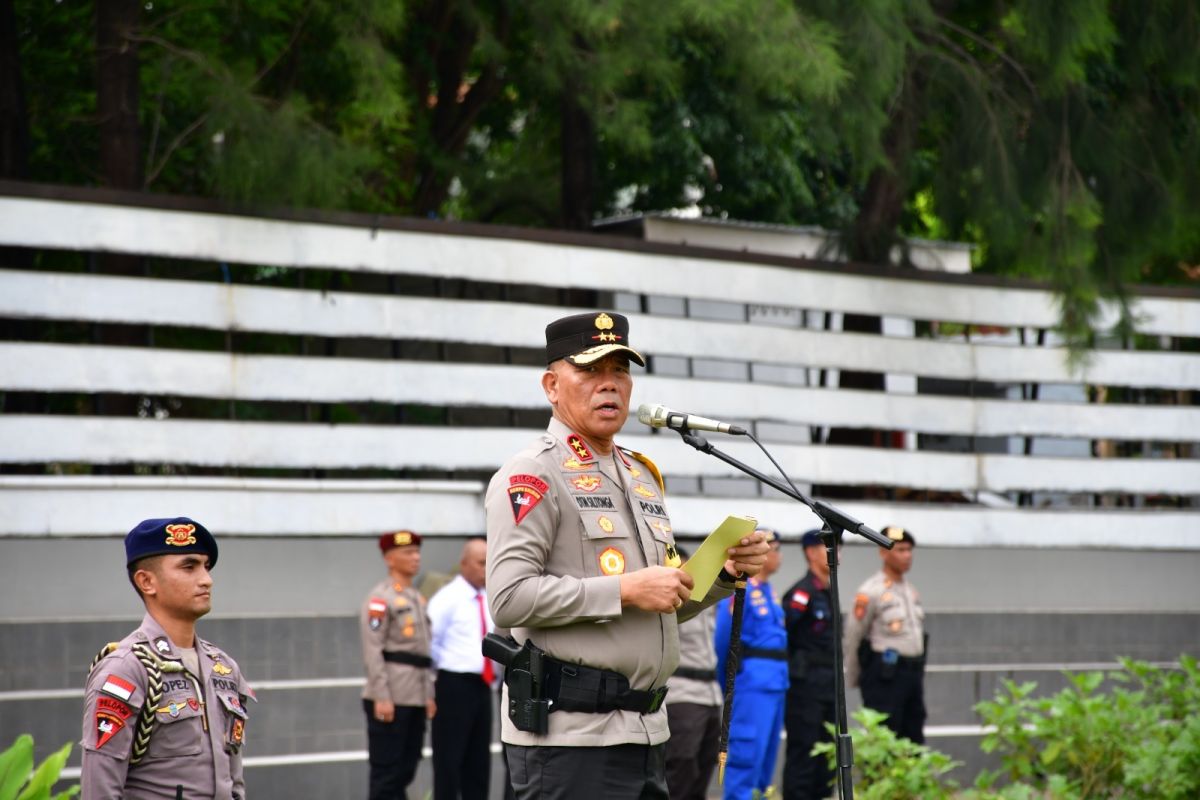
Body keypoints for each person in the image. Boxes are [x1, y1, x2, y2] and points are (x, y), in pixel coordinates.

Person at [485, 310, 771, 800]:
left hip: (646, 731)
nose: (610, 385)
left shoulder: (640, 476)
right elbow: (509, 599)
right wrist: (626, 589)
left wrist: (722, 574)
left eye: (620, 370)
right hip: (572, 740)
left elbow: (660, 602)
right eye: (591, 370)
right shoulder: (532, 474)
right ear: (552, 385)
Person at [80, 516, 252, 800]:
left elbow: (234, 782)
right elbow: (100, 789)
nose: (206, 579)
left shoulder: (223, 667)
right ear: (147, 582)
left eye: (206, 567)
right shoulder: (126, 668)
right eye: (189, 567)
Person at [360, 530, 437, 800]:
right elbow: (373, 650)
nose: (415, 558)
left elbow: (423, 652)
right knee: (386, 773)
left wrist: (428, 694)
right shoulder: (381, 599)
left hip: (414, 695)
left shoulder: (417, 597)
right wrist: (382, 696)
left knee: (406, 769)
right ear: (389, 559)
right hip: (391, 695)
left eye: (417, 552)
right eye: (407, 552)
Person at [714, 528, 787, 800]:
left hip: (775, 684)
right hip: (751, 686)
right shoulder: (741, 590)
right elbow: (724, 640)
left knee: (765, 765)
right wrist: (729, 686)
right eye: (774, 549)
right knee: (746, 760)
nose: (778, 555)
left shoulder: (770, 591)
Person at [843, 525, 926, 743]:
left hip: (912, 673)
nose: (907, 555)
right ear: (883, 552)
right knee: (883, 738)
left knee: (913, 736)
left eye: (909, 550)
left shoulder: (910, 590)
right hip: (885, 675)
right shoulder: (871, 590)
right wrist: (854, 676)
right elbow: (853, 635)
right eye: (900, 550)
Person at [427, 537, 494, 800]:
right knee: (449, 760)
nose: (486, 569)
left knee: (479, 762)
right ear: (464, 564)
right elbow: (430, 643)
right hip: (453, 685)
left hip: (483, 685)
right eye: (481, 563)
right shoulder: (447, 598)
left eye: (490, 562)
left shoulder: (489, 598)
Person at [782, 530, 840, 800]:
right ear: (810, 552)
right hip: (805, 687)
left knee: (827, 754)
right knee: (804, 752)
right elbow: (786, 637)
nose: (836, 552)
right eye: (827, 546)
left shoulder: (829, 591)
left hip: (829, 685)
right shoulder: (801, 594)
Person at [663, 546, 722, 800]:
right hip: (682, 692)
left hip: (710, 693)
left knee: (706, 761)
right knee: (682, 763)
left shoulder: (701, 599)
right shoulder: (667, 599)